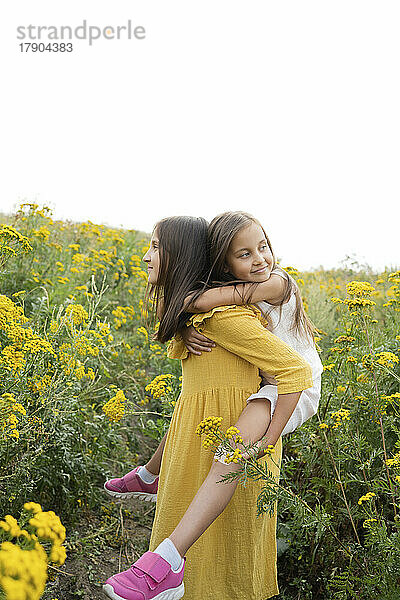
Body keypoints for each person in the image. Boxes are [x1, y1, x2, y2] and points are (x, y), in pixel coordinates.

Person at [103, 214, 313, 600]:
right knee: (218, 446)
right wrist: (183, 320)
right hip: (273, 383)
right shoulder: (211, 311)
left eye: (155, 247)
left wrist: (268, 437)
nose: (146, 256)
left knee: (229, 458)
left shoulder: (274, 285)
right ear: (226, 264)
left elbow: (294, 371)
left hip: (291, 388)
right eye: (245, 253)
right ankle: (152, 477)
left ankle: (168, 560)